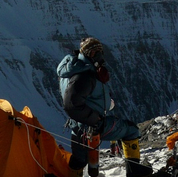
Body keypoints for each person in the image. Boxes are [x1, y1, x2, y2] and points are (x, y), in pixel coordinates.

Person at [57, 37, 153, 177]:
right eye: (96, 51)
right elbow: (71, 104)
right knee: (131, 130)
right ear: (89, 53)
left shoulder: (72, 69)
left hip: (77, 125)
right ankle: (135, 173)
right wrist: (94, 119)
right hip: (92, 124)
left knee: (79, 159)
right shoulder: (85, 75)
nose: (100, 55)